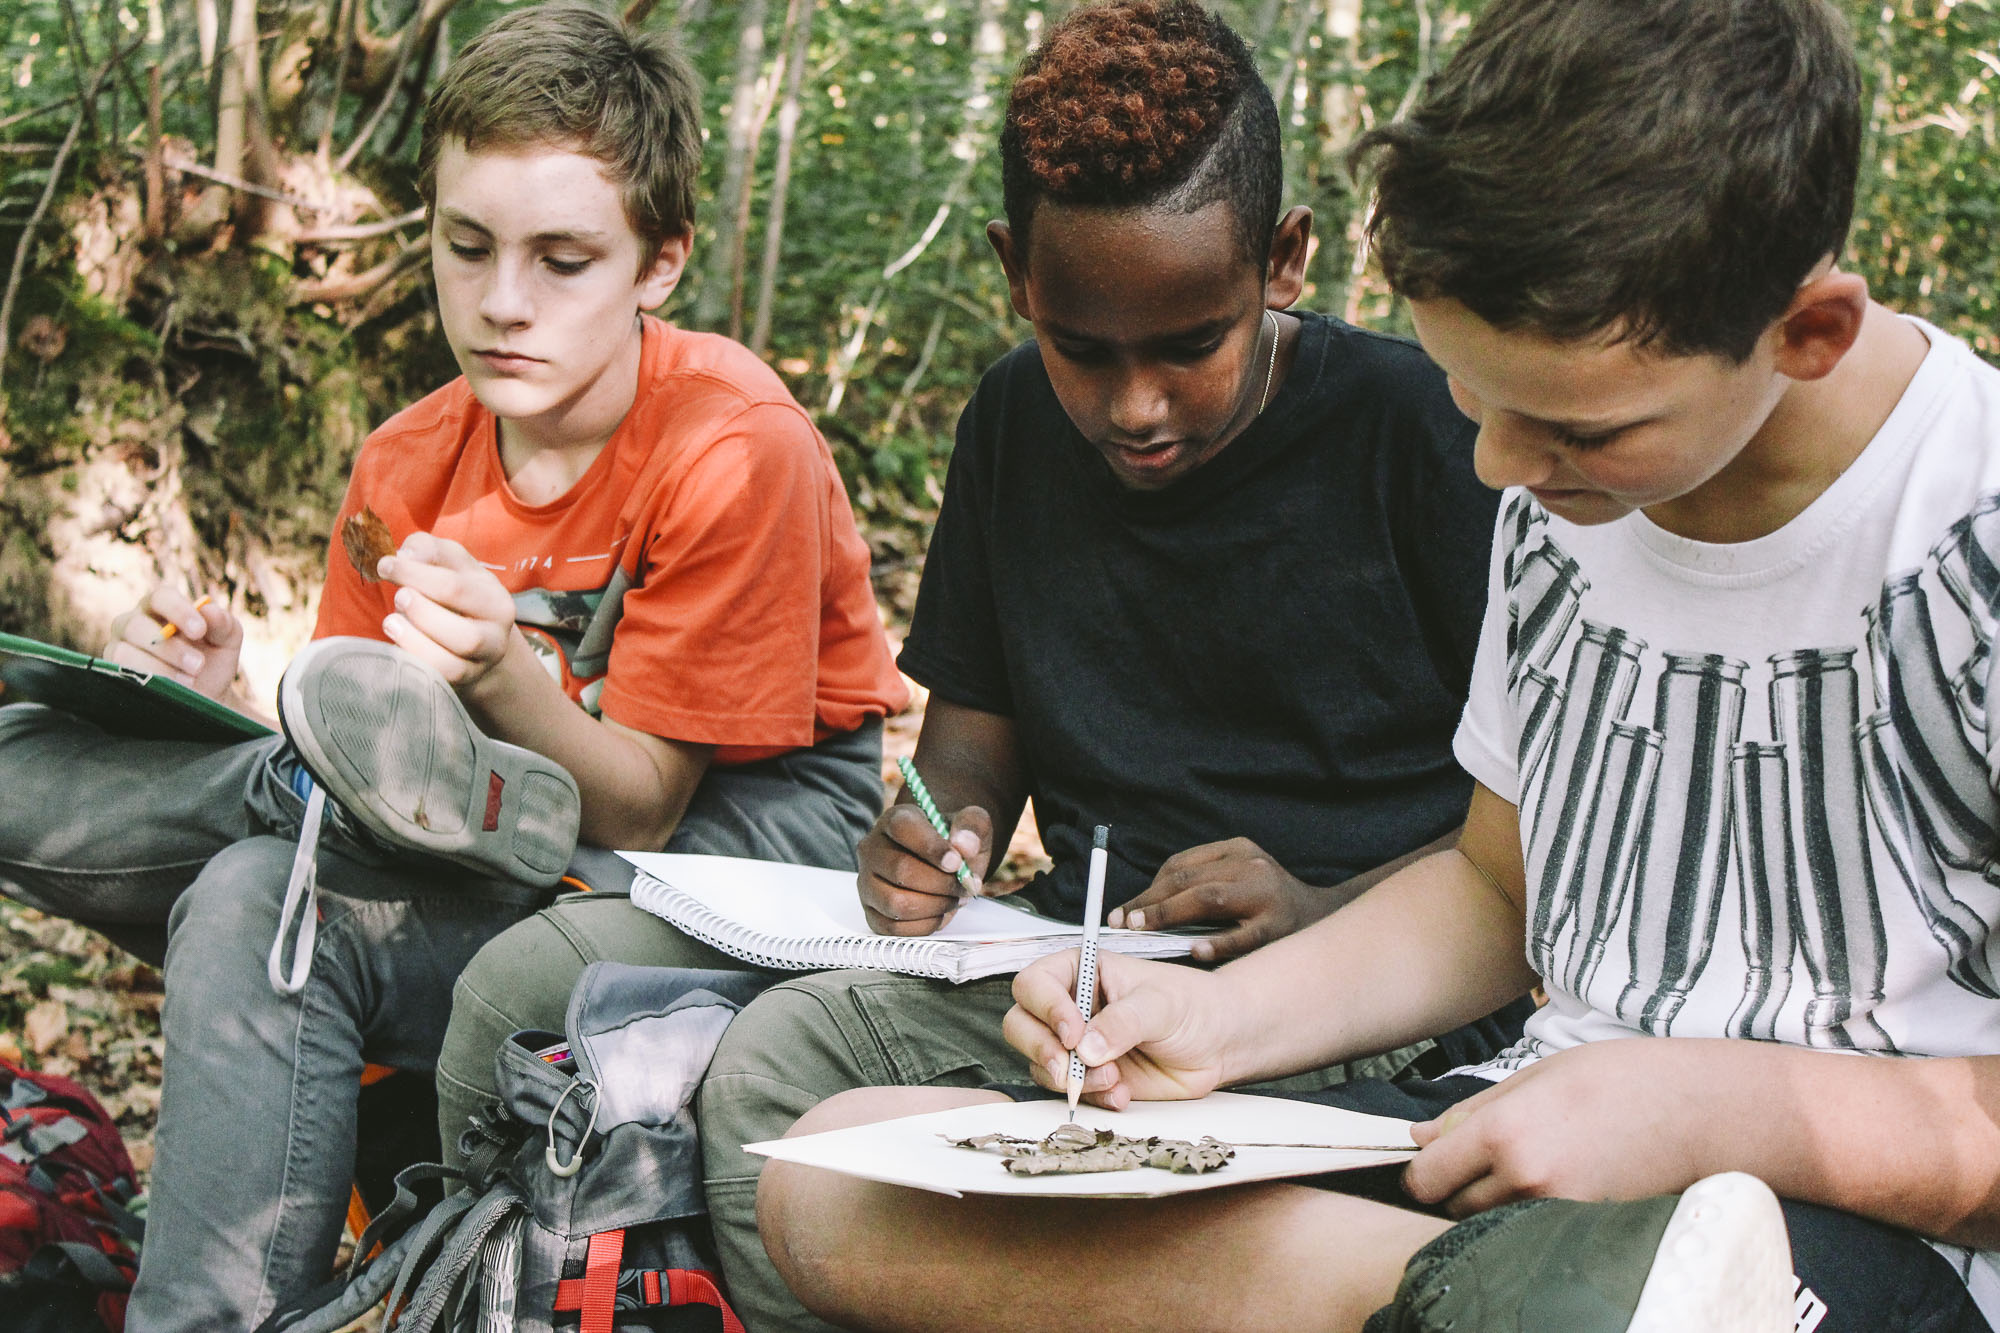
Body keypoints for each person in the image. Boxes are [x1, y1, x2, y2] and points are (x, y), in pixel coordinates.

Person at [754, 0, 2000, 1329]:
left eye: (1576, 426)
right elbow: (1491, 890)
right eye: (1475, 399)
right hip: (1516, 1148)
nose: (1498, 470)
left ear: (1805, 330)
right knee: (841, 1178)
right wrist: (1215, 1025)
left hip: (1860, 1242)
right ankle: (1491, 1305)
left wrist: (1714, 1107)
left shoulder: (1966, 534)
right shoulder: (1556, 494)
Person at [0, 6, 903, 1329]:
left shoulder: (732, 442)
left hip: (715, 880)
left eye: (563, 258)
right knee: (266, 881)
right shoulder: (407, 463)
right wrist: (246, 700)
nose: (500, 299)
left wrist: (492, 670)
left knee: (278, 833)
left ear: (660, 263)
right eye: (464, 244)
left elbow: (648, 799)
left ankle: (262, 782)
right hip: (497, 862)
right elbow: (392, 792)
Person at [669, 4, 1525, 1327]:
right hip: (1071, 972)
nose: (1136, 404)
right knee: (776, 1067)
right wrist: (931, 830)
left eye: (1191, 345)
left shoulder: (1425, 432)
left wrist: (1319, 905)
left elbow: (1517, 852)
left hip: (1371, 999)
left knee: (1142, 1188)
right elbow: (969, 752)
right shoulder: (1013, 425)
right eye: (1084, 347)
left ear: (1284, 258)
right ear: (1019, 275)